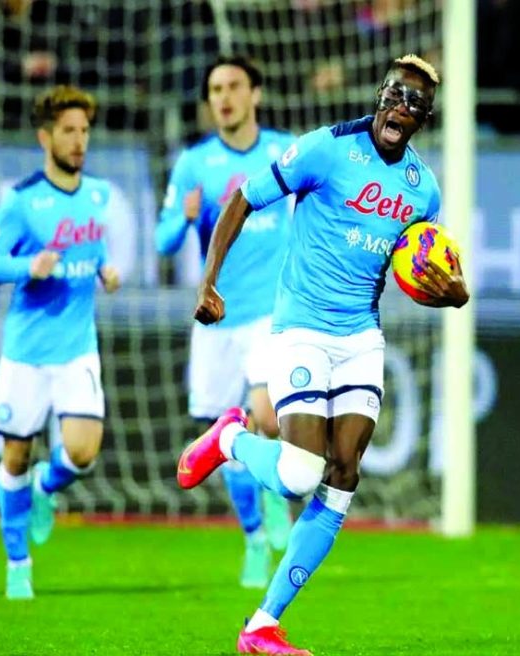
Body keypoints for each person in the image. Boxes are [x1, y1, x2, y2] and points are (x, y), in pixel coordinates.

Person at [177, 54, 469, 654]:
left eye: (414, 102)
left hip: (361, 337)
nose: (400, 107)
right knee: (298, 474)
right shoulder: (327, 149)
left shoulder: (424, 191)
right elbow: (241, 200)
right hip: (301, 329)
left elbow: (419, 268)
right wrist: (210, 282)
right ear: (380, 95)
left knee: (343, 476)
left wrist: (456, 294)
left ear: (425, 117)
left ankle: (262, 624)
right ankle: (229, 437)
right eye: (394, 94)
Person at [0, 85, 120, 600]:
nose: (79, 141)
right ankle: (18, 563)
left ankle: (45, 488)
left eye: (84, 131)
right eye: (68, 132)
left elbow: (91, 247)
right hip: (27, 352)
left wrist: (104, 269)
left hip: (77, 346)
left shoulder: (99, 194)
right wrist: (25, 267)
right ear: (45, 137)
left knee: (81, 453)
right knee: (15, 455)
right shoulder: (22, 201)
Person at [157, 54, 295, 589]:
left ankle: (278, 496)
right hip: (216, 315)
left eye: (234, 86)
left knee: (267, 415)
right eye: (215, 88)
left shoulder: (284, 151)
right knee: (223, 433)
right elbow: (162, 241)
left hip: (271, 312)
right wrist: (185, 219)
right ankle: (255, 537)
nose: (224, 97)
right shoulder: (194, 163)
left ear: (254, 94)